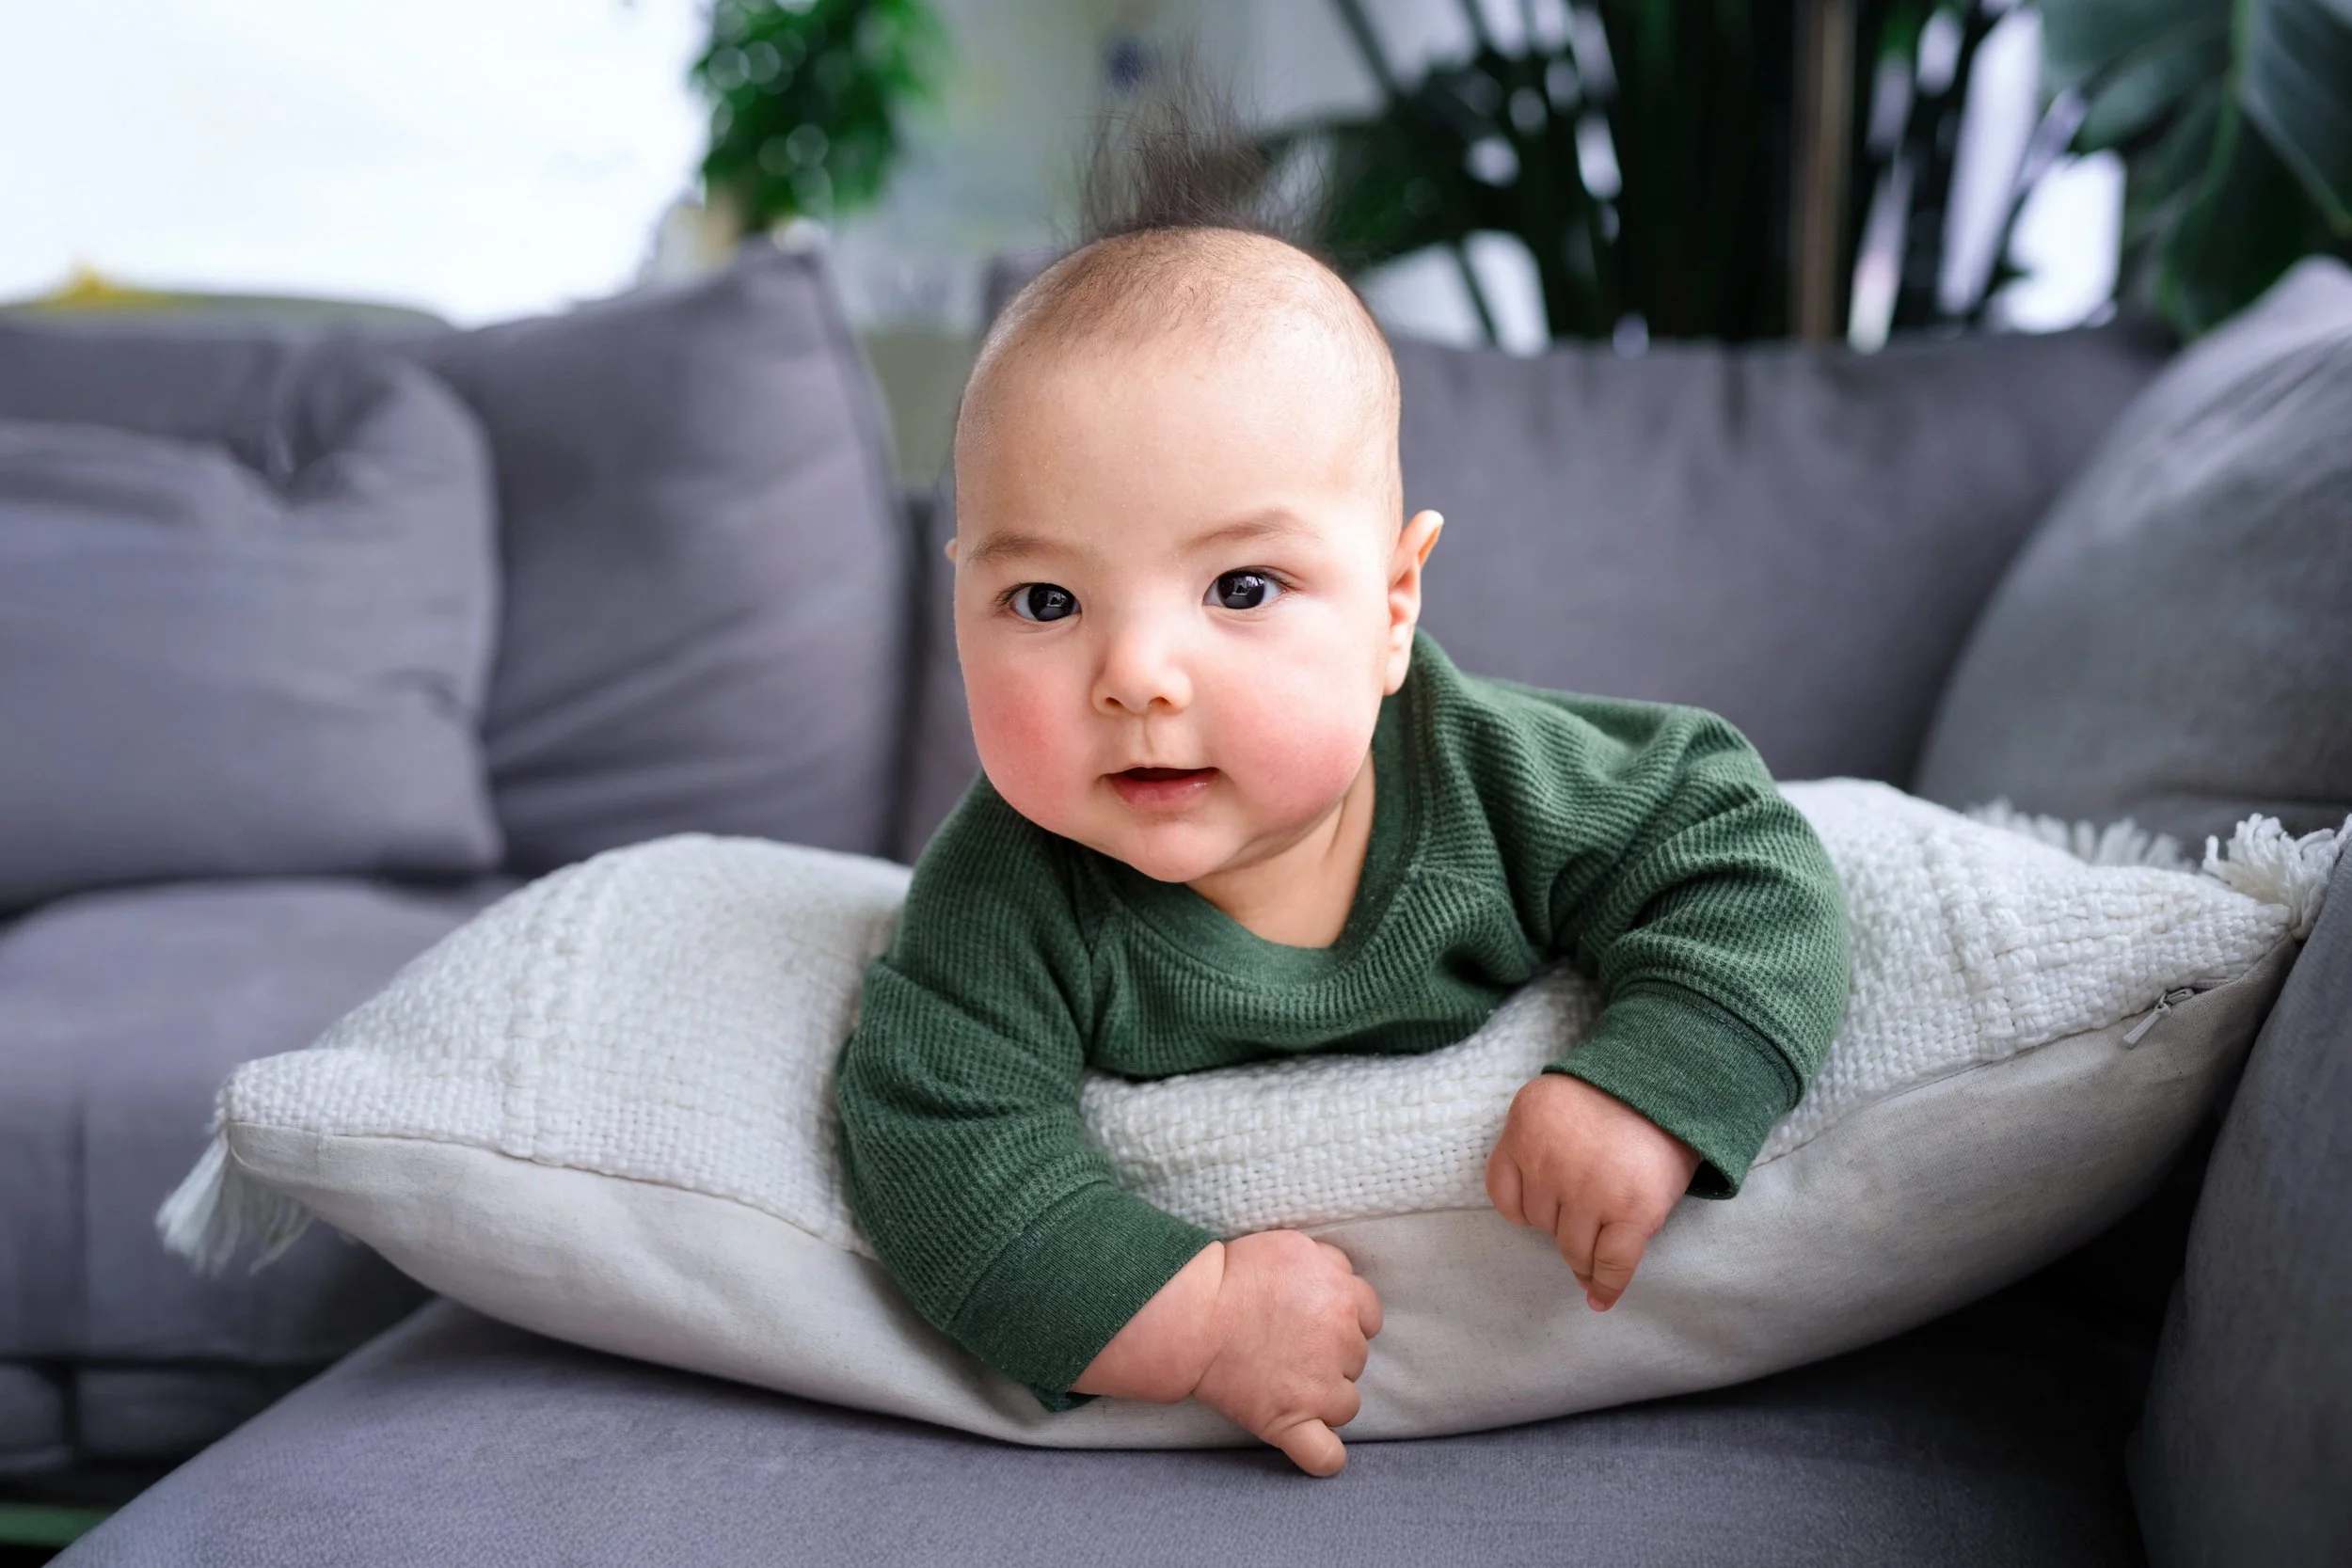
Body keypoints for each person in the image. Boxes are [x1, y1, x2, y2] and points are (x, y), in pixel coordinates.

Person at [834, 82, 1851, 1478]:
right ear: (958, 602)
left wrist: (1652, 1083)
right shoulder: (1005, 891)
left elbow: (1741, 849)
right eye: (1046, 601)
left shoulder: (1494, 777)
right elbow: (935, 1144)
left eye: (1241, 587)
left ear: (1392, 608)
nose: (1136, 675)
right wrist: (1197, 1319)